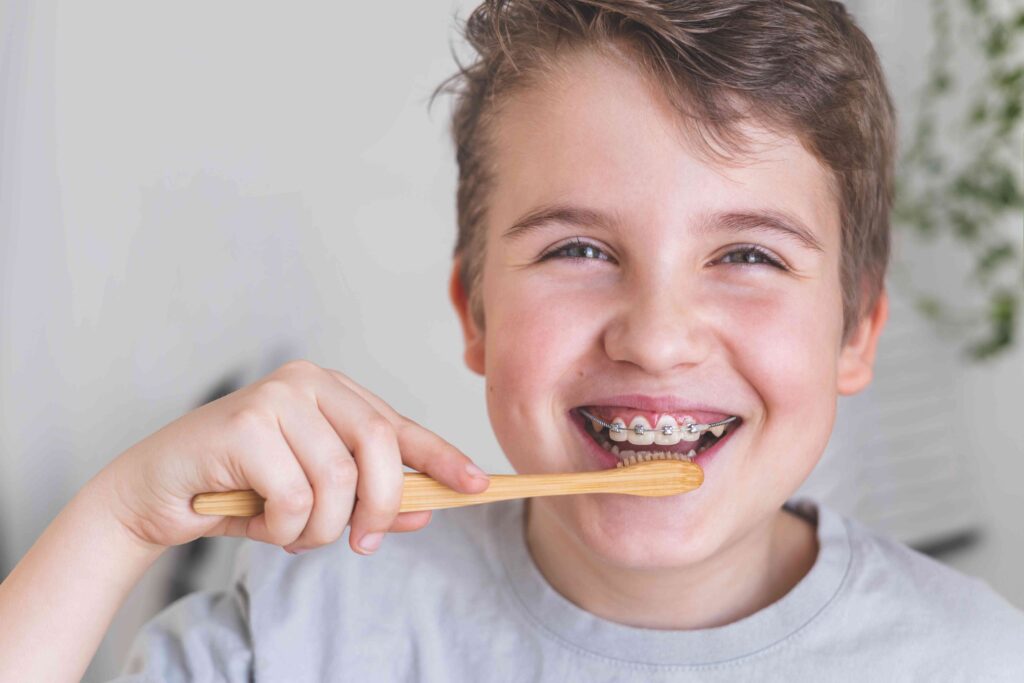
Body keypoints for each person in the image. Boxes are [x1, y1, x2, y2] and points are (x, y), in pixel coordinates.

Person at [2, 1, 1022, 681]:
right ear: (473, 312)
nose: (658, 338)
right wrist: (118, 523)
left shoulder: (973, 656)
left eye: (747, 255)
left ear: (856, 329)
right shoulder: (310, 625)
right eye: (580, 246)